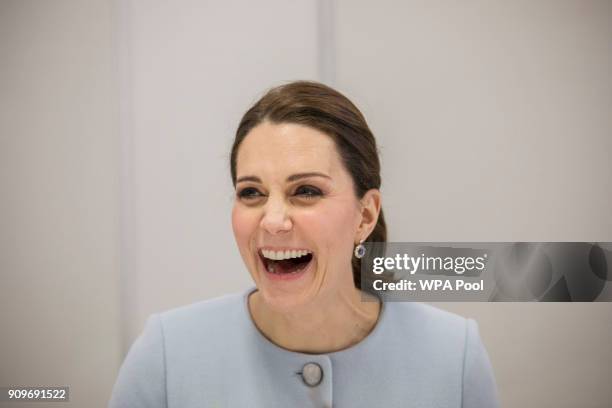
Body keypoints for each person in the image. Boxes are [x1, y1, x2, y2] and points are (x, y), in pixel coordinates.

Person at [109, 81, 499, 407]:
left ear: (365, 215)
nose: (273, 221)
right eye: (251, 192)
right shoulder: (164, 356)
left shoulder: (454, 355)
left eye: (306, 191)